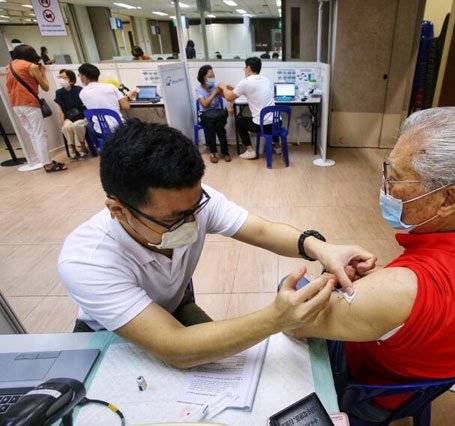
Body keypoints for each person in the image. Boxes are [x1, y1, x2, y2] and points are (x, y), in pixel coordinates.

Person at [58, 120, 376, 369]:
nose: (192, 223)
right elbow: (174, 347)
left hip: (174, 303)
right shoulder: (87, 261)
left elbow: (262, 231)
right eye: (174, 219)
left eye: (195, 208)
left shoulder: (193, 201)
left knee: (226, 368)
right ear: (118, 210)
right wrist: (277, 319)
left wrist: (321, 248)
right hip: (111, 334)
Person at [289, 107, 455, 421]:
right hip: (430, 380)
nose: (384, 187)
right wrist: (383, 281)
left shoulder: (401, 290)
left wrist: (335, 280)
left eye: (395, 178)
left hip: (372, 394)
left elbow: (293, 322)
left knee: (292, 288)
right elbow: (445, 297)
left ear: (448, 199)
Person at [6, 44, 66, 172]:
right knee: (40, 134)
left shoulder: (9, 67)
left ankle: (43, 161)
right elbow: (45, 87)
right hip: (29, 103)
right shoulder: (31, 66)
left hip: (16, 105)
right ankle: (48, 164)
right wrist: (43, 73)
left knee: (33, 134)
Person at [218, 57, 279, 160]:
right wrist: (234, 88)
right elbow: (248, 90)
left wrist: (223, 86)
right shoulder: (266, 79)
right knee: (270, 118)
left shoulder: (246, 82)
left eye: (245, 67)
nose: (244, 69)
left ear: (249, 68)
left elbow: (228, 97)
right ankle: (277, 146)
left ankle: (250, 151)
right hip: (276, 124)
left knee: (239, 121)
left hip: (262, 126)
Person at [78, 63, 130, 132]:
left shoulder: (82, 93)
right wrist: (127, 96)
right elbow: (126, 106)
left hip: (100, 130)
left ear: (84, 77)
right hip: (119, 128)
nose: (79, 77)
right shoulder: (111, 87)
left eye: (79, 75)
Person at [196, 65, 231, 163]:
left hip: (217, 114)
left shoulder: (216, 86)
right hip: (205, 115)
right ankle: (213, 152)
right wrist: (215, 93)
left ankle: (225, 152)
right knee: (211, 126)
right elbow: (205, 104)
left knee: (219, 126)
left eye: (213, 76)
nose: (212, 78)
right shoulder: (199, 89)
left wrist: (226, 88)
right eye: (210, 76)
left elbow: (228, 96)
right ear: (203, 77)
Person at [54, 69, 89, 159]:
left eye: (64, 77)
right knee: (66, 127)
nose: (62, 80)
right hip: (68, 117)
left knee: (77, 125)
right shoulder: (59, 93)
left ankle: (82, 147)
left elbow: (85, 105)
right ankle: (72, 148)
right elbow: (61, 111)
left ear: (71, 79)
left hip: (81, 116)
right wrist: (62, 123)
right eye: (60, 77)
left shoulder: (79, 89)